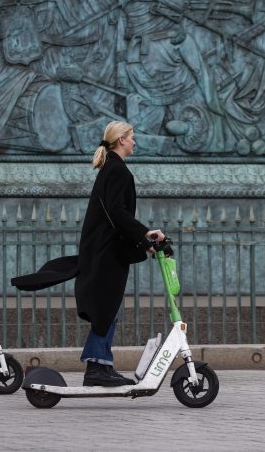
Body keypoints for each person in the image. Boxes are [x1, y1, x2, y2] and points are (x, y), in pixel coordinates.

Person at [75, 121, 165, 387]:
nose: (135, 142)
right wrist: (146, 233)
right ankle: (96, 368)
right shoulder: (117, 170)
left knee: (108, 308)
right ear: (122, 140)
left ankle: (99, 365)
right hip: (106, 252)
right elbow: (117, 213)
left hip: (104, 249)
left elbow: (114, 217)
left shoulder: (111, 168)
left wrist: (143, 242)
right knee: (107, 308)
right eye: (132, 137)